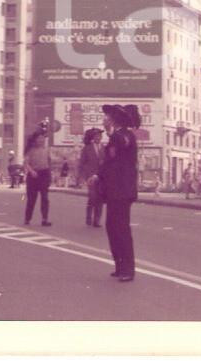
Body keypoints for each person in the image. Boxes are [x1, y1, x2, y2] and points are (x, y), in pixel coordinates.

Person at [91, 104, 138, 282]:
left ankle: (128, 269)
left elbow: (120, 146)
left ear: (114, 120)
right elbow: (109, 162)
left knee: (121, 229)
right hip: (114, 190)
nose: (105, 118)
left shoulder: (124, 135)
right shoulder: (117, 136)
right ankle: (119, 266)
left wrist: (110, 132)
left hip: (122, 190)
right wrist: (97, 175)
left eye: (108, 116)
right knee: (112, 228)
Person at [22, 127, 52, 226]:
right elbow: (25, 163)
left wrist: (49, 175)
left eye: (43, 138)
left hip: (44, 174)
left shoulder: (46, 149)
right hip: (33, 176)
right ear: (35, 140)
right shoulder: (30, 150)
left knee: (45, 197)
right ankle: (27, 218)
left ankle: (44, 219)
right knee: (31, 198)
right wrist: (31, 171)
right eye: (39, 138)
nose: (41, 140)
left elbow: (49, 162)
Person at [78, 127, 104, 227]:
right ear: (93, 137)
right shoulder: (87, 148)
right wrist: (82, 177)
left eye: (100, 136)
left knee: (100, 198)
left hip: (101, 177)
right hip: (90, 177)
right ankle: (89, 216)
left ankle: (97, 220)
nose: (98, 137)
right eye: (97, 135)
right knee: (92, 197)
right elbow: (81, 163)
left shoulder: (104, 148)